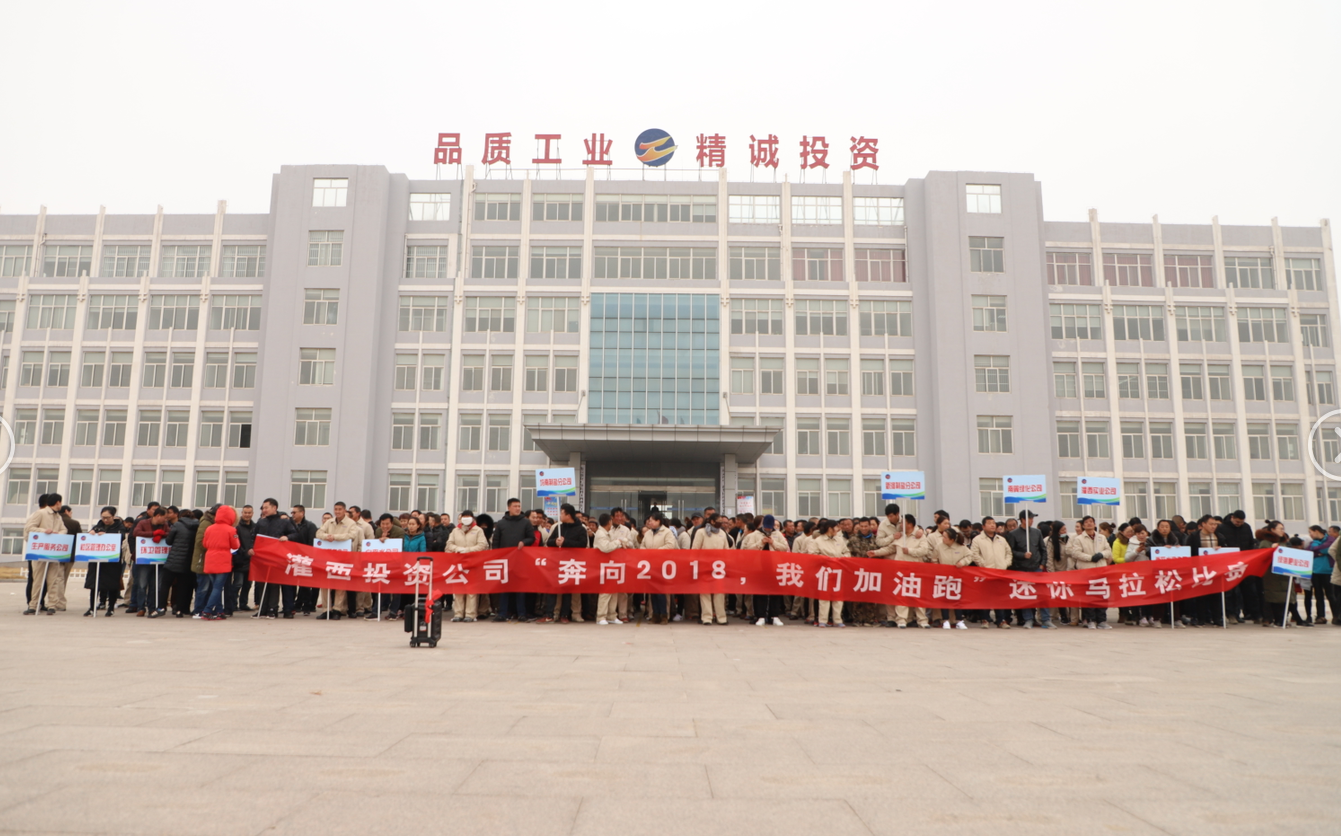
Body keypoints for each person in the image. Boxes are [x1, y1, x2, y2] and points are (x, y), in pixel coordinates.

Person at [490, 498, 536, 623]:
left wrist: (524, 542)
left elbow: (531, 538)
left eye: (519, 506)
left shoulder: (525, 522)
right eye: (515, 506)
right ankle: (502, 613)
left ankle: (521, 613)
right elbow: (496, 541)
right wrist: (496, 556)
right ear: (509, 507)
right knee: (504, 587)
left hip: (520, 560)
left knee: (520, 587)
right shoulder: (501, 523)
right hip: (504, 560)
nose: (517, 508)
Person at [542, 504, 590, 623]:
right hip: (557, 562)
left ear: (568, 515)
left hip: (571, 563)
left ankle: (565, 614)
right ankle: (550, 614)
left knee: (568, 590)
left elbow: (582, 544)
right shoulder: (558, 527)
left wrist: (566, 542)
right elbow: (549, 542)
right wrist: (556, 542)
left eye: (562, 513)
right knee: (553, 588)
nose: (560, 515)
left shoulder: (580, 529)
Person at [314, 502, 362, 620]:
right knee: (325, 584)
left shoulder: (351, 523)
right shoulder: (329, 522)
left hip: (343, 558)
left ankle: (337, 610)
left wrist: (335, 537)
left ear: (344, 510)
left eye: (340, 509)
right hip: (327, 558)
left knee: (340, 584)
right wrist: (326, 537)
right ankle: (326, 610)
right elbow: (319, 533)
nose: (337, 511)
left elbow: (351, 535)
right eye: (336, 509)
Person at [1007, 509, 1053, 629]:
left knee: (1042, 594)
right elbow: (1010, 551)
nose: (1032, 520)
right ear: (1023, 520)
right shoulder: (1013, 534)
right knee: (1026, 595)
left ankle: (1046, 619)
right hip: (1022, 569)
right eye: (1030, 518)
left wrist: (1042, 564)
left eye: (1032, 518)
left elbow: (1043, 550)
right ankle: (1028, 619)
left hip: (1037, 568)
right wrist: (1022, 555)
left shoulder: (1037, 532)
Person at [1065, 515, 1112, 629]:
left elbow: (1108, 550)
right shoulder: (1079, 539)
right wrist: (1090, 558)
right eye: (1086, 522)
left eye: (1091, 521)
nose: (1089, 523)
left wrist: (1101, 555)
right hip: (1086, 570)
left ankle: (1102, 620)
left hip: (1100, 570)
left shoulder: (1101, 537)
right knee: (1088, 596)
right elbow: (1076, 553)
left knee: (1101, 596)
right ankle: (1090, 620)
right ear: (1083, 525)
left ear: (1095, 524)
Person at [254, 499, 298, 618]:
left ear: (274, 508)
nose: (264, 510)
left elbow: (295, 534)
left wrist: (287, 537)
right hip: (262, 557)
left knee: (274, 583)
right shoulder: (261, 522)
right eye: (263, 508)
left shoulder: (283, 522)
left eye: (266, 507)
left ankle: (272, 609)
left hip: (277, 557)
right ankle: (262, 609)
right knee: (261, 583)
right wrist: (251, 548)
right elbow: (254, 536)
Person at [741, 514, 788, 627]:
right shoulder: (755, 534)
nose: (768, 529)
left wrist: (773, 543)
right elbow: (748, 549)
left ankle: (774, 616)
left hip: (775, 567)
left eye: (770, 527)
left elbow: (785, 548)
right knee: (759, 592)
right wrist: (761, 542)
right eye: (766, 527)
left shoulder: (778, 534)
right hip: (759, 567)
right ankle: (760, 616)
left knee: (775, 592)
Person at [85, 506, 127, 616]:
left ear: (113, 516)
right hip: (97, 559)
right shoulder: (98, 526)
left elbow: (121, 537)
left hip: (112, 560)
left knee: (112, 585)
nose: (105, 520)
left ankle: (111, 608)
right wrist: (91, 533)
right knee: (94, 584)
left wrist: (107, 536)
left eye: (108, 517)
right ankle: (92, 607)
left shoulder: (119, 527)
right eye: (103, 517)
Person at [200, 505, 240, 621]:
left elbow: (204, 544)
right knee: (218, 588)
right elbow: (236, 545)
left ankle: (219, 611)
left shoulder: (209, 528)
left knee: (215, 588)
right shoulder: (231, 530)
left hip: (209, 559)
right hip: (223, 560)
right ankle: (207, 611)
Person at [638, 510, 678, 624]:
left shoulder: (667, 532)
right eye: (649, 520)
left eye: (652, 520)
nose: (650, 522)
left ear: (658, 521)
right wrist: (646, 552)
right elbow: (642, 546)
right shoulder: (648, 533)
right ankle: (655, 615)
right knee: (653, 592)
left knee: (661, 592)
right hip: (650, 565)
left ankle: (664, 615)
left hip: (663, 565)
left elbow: (670, 545)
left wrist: (655, 552)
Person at [690, 513, 730, 625]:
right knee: (705, 592)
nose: (721, 523)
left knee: (719, 592)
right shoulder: (701, 532)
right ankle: (707, 617)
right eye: (719, 521)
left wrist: (727, 563)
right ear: (712, 521)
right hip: (704, 566)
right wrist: (695, 564)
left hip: (719, 567)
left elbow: (726, 550)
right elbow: (695, 549)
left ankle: (721, 617)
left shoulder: (722, 533)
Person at [447, 511, 487, 622]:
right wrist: (458, 549)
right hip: (458, 564)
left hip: (473, 563)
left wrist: (468, 550)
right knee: (458, 589)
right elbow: (449, 544)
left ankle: (470, 614)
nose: (466, 519)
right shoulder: (455, 530)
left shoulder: (478, 530)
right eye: (464, 517)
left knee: (471, 590)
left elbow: (482, 545)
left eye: (468, 517)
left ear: (472, 518)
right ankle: (458, 614)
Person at [809, 519, 849, 627]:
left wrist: (842, 558)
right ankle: (823, 620)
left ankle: (838, 620)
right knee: (824, 597)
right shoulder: (818, 541)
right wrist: (826, 559)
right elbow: (812, 555)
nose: (838, 529)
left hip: (838, 571)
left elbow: (847, 552)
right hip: (824, 571)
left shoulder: (840, 540)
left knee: (838, 597)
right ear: (830, 528)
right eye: (836, 527)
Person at [131, 506, 170, 617]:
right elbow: (136, 533)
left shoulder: (165, 525)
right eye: (164, 517)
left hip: (159, 558)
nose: (166, 520)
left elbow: (170, 533)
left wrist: (162, 534)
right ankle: (141, 607)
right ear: (158, 516)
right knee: (142, 584)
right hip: (144, 559)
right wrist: (153, 534)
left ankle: (152, 607)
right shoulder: (143, 523)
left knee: (155, 585)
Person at [930, 528, 973, 629]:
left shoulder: (961, 547)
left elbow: (970, 556)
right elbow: (934, 559)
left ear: (952, 539)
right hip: (943, 577)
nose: (943, 539)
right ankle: (945, 620)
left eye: (945, 537)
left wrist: (963, 562)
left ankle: (959, 620)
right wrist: (938, 568)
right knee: (944, 599)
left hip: (957, 577)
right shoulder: (939, 546)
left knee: (957, 599)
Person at [163, 505, 199, 618]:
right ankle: (180, 609)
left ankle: (161, 607)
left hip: (174, 560)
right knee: (183, 587)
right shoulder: (197, 526)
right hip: (188, 561)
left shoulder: (177, 525)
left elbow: (169, 541)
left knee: (165, 584)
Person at [290, 505, 320, 614]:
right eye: (292, 513)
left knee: (305, 584)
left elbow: (311, 543)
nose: (292, 515)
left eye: (295, 512)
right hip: (292, 558)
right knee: (291, 583)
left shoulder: (310, 526)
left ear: (302, 513)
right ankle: (293, 605)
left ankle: (306, 606)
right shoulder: (290, 525)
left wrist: (307, 556)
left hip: (305, 558)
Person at [230, 504, 256, 616]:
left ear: (252, 514)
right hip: (240, 560)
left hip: (251, 561)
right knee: (237, 584)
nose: (247, 515)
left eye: (249, 513)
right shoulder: (237, 527)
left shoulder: (255, 527)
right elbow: (235, 544)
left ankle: (243, 603)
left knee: (248, 584)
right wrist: (245, 552)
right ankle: (233, 604)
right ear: (242, 513)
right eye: (245, 512)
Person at [1305, 525, 1333, 625]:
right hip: (1315, 571)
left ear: (1317, 531)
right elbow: (1308, 552)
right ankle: (1320, 616)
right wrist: (1318, 552)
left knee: (1331, 595)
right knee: (1318, 595)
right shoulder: (1313, 542)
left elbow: (1327, 549)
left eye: (1311, 532)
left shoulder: (1330, 539)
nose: (1310, 535)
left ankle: (1336, 615)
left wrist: (1316, 550)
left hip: (1328, 571)